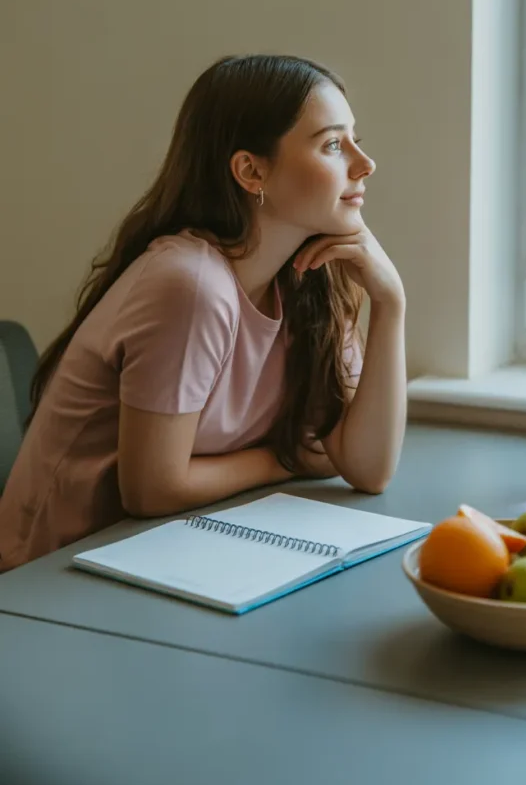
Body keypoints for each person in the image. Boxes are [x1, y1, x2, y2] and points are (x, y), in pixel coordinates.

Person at [0, 55, 407, 571]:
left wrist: (390, 305)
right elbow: (152, 489)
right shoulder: (191, 285)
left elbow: (368, 469)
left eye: (356, 139)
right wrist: (283, 459)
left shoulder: (310, 278)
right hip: (48, 580)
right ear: (250, 170)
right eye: (332, 144)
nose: (363, 162)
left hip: (163, 555)